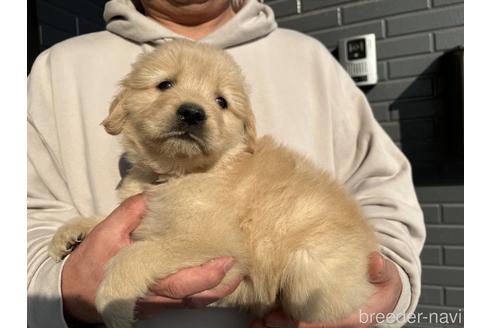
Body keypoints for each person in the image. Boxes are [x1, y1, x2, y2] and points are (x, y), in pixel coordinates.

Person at [27, 0, 425, 327]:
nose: (193, 109)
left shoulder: (313, 60)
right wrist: (62, 284)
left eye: (221, 102)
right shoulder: (56, 67)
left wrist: (385, 295)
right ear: (121, 106)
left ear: (246, 131)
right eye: (165, 84)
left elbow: (384, 199)